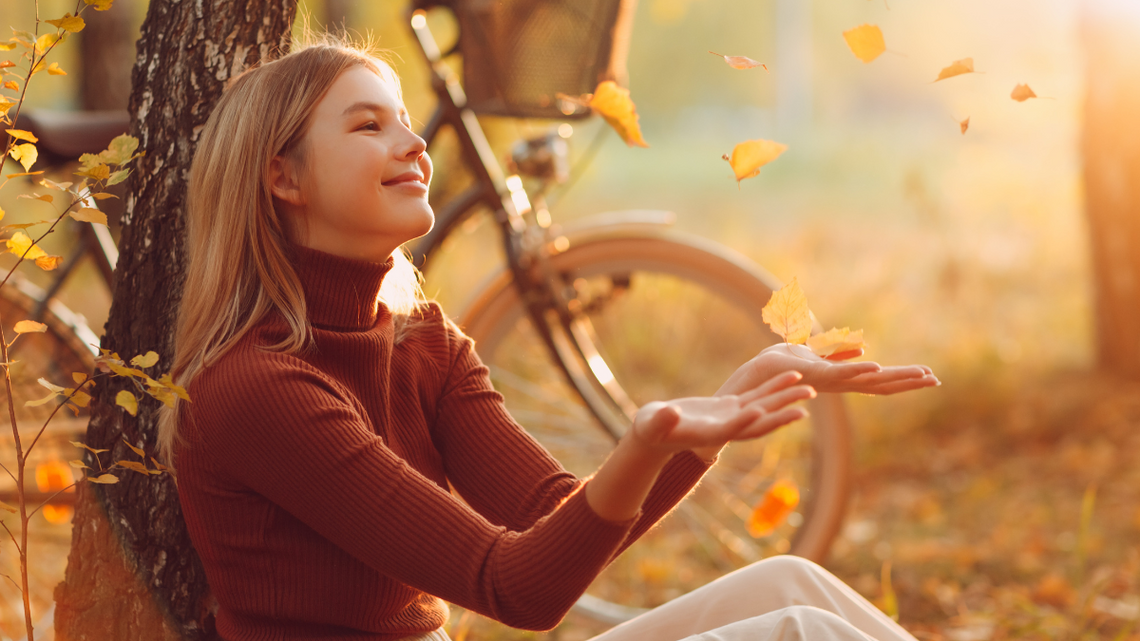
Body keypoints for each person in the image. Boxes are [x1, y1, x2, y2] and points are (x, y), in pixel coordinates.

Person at [158, 38, 939, 641]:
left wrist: (722, 408)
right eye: (369, 126)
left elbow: (556, 521)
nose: (414, 145)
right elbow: (516, 586)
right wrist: (648, 440)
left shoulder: (423, 344)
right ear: (283, 178)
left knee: (792, 587)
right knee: (798, 634)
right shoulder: (257, 388)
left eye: (406, 120)